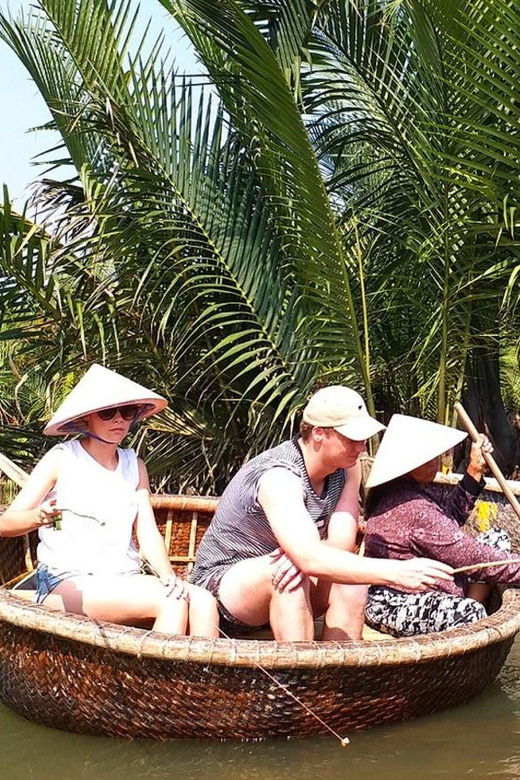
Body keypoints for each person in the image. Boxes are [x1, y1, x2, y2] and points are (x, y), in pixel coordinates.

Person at [190, 386, 453, 641]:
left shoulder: (348, 468)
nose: (361, 448)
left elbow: (341, 544)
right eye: (352, 439)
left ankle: (339, 667)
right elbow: (309, 559)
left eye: (362, 440)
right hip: (224, 591)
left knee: (350, 580)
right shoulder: (279, 477)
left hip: (293, 577)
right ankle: (300, 670)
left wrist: (305, 556)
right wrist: (397, 572)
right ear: (318, 434)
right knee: (288, 576)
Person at [0, 364, 218, 638]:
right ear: (87, 418)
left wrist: (167, 576)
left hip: (123, 577)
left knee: (203, 602)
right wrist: (39, 517)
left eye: (126, 412)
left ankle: (194, 668)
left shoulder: (134, 465)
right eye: (107, 413)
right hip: (66, 578)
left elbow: (146, 530)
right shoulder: (62, 458)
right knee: (171, 603)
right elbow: (6, 524)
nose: (118, 420)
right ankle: (152, 669)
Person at [363, 413, 520, 637]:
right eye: (429, 458)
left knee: (497, 538)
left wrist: (475, 469)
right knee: (470, 613)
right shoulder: (410, 506)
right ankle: (468, 617)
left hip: (429, 584)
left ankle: (468, 603)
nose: (436, 461)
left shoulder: (412, 490)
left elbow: (447, 521)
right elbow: (472, 558)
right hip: (394, 599)